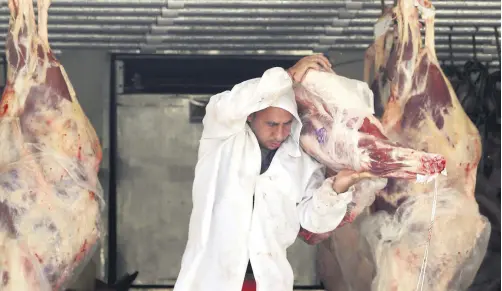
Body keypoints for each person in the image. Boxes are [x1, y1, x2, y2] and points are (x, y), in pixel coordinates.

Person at [173, 55, 377, 291]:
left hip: (267, 280)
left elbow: (314, 221)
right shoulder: (221, 136)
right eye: (271, 124)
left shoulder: (301, 161)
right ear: (251, 116)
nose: (280, 134)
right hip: (211, 279)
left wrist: (337, 188)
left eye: (287, 123)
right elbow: (231, 104)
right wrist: (288, 76)